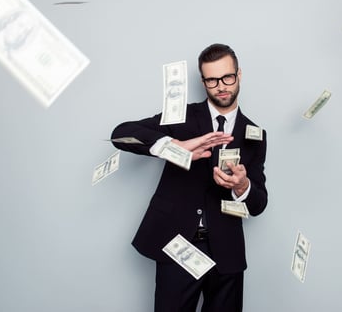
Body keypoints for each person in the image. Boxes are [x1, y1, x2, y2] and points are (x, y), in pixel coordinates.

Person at [111, 43, 268, 312]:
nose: (221, 86)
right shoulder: (181, 117)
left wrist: (242, 186)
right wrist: (174, 147)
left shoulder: (255, 134)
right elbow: (121, 134)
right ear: (203, 81)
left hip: (226, 252)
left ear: (239, 75)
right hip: (177, 247)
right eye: (212, 80)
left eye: (227, 77)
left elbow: (258, 204)